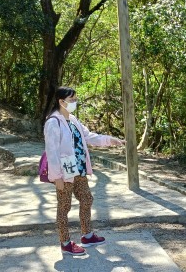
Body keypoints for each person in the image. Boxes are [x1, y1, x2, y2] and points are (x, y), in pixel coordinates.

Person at [44, 86, 125, 256]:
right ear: (61, 101)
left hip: (79, 169)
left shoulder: (73, 119)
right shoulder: (53, 122)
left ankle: (87, 235)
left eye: (75, 99)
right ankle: (65, 243)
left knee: (87, 199)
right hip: (65, 171)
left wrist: (110, 140)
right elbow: (51, 151)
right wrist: (56, 177)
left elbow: (89, 137)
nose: (75, 102)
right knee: (64, 207)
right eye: (71, 100)